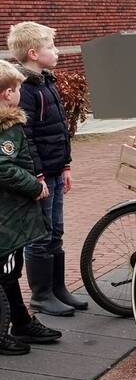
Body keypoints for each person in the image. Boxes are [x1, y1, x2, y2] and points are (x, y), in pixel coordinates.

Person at [9, 22, 84, 316]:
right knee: (41, 234)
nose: (56, 52)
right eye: (51, 48)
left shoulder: (47, 81)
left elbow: (59, 130)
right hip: (40, 175)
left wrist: (65, 165)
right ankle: (41, 295)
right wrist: (37, 174)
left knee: (56, 230)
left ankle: (57, 288)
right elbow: (27, 137)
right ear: (32, 53)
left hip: (54, 170)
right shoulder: (25, 89)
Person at [0, 61, 63, 355]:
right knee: (6, 273)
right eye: (18, 89)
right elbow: (4, 167)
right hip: (8, 215)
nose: (21, 93)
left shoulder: (11, 124)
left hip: (11, 215)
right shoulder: (6, 129)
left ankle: (21, 320)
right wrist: (34, 185)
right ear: (7, 94)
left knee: (10, 271)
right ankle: (5, 330)